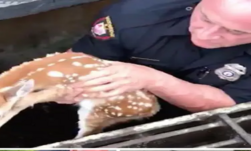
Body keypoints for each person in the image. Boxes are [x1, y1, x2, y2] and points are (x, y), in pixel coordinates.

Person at [58, 0, 251, 123]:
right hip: (118, 102)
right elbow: (78, 60)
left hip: (199, 114)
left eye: (234, 31)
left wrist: (153, 79)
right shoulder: (135, 15)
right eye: (205, 18)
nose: (205, 33)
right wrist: (64, 82)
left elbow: (229, 105)